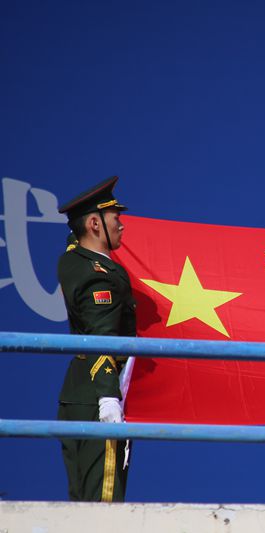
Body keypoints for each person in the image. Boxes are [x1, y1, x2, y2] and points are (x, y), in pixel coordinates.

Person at [56, 176, 135, 502]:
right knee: (102, 503)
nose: (122, 226)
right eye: (115, 218)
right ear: (94, 224)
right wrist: (108, 398)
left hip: (79, 395)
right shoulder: (97, 276)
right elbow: (101, 336)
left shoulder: (76, 261)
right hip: (97, 395)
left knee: (83, 502)